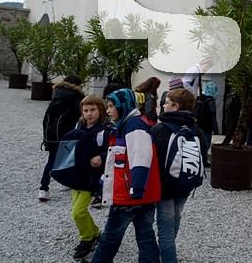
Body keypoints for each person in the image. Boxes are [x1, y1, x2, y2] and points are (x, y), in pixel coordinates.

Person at [91, 89, 161, 263]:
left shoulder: (133, 126)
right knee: (145, 236)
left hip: (130, 194)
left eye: (111, 106)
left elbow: (141, 157)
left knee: (111, 236)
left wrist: (136, 188)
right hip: (141, 193)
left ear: (123, 106)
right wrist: (103, 182)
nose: (108, 111)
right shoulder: (126, 125)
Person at [151, 88, 205, 263]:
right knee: (175, 219)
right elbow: (203, 157)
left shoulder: (160, 129)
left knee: (165, 228)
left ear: (175, 106)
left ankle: (168, 258)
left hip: (165, 187)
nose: (163, 105)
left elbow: (153, 159)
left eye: (166, 103)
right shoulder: (196, 130)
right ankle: (168, 252)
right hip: (186, 183)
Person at [60, 95, 109, 260]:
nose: (89, 113)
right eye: (86, 110)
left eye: (93, 110)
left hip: (92, 178)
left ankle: (87, 239)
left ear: (100, 110)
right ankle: (95, 232)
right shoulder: (79, 126)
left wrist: (101, 156)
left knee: (78, 213)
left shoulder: (104, 130)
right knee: (77, 209)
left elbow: (111, 149)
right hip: (77, 176)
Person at [40, 75, 85, 202]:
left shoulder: (57, 94)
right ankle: (63, 182)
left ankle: (44, 188)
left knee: (52, 160)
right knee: (70, 157)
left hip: (51, 135)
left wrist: (46, 137)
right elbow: (80, 116)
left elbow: (46, 117)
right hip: (67, 133)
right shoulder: (76, 96)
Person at [194, 80, 219, 166]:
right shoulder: (211, 101)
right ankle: (203, 161)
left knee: (199, 143)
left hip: (198, 125)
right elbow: (213, 116)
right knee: (205, 144)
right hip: (207, 127)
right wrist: (216, 130)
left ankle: (198, 159)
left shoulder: (199, 98)